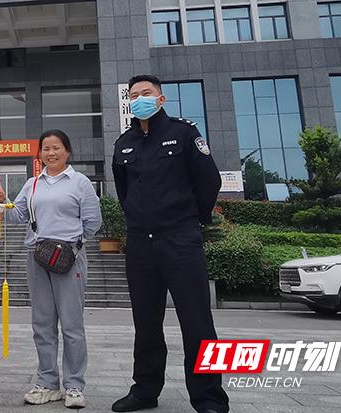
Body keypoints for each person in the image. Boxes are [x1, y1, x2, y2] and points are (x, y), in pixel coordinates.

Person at [110, 75, 229, 413]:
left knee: (196, 321)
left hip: (180, 239)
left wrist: (191, 218)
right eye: (134, 95)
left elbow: (209, 181)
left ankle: (209, 398)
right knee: (146, 322)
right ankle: (145, 390)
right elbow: (124, 191)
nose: (139, 99)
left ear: (161, 99)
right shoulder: (124, 142)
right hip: (141, 245)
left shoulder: (184, 132)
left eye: (146, 93)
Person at [0, 129, 102, 409]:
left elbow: (93, 222)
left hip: (69, 258)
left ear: (68, 151)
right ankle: (48, 383)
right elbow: (18, 216)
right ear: (39, 153)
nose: (51, 153)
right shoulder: (32, 184)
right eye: (46, 149)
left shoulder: (80, 183)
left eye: (56, 148)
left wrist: (72, 244)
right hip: (37, 257)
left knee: (72, 325)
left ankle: (74, 386)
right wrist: (3, 201)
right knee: (42, 324)